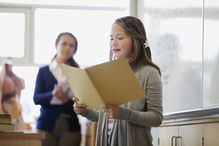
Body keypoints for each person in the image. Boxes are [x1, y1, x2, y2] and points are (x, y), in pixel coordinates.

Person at [73, 16, 163, 146]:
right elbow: (107, 117)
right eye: (111, 38)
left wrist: (123, 113)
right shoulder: (110, 71)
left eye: (120, 38)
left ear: (136, 40)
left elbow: (156, 118)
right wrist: (85, 112)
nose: (113, 43)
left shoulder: (149, 73)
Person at [33, 32, 81, 146]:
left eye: (71, 45)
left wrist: (67, 100)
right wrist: (52, 94)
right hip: (46, 126)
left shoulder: (78, 73)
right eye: (64, 44)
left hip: (71, 126)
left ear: (74, 50)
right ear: (56, 45)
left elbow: (83, 101)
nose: (67, 48)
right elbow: (36, 98)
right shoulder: (44, 71)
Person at [0, 57, 25, 130]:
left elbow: (19, 96)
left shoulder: (16, 80)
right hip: (5, 106)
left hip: (15, 106)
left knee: (17, 127)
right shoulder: (2, 79)